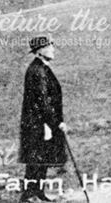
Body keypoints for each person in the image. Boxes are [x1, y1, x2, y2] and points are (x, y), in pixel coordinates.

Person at [18, 36, 68, 202]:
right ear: (40, 51)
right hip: (38, 123)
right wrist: (55, 123)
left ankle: (37, 194)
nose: (52, 49)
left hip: (39, 123)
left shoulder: (40, 68)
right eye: (49, 46)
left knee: (40, 158)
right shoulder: (38, 71)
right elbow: (43, 100)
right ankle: (30, 196)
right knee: (36, 160)